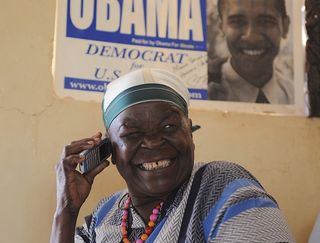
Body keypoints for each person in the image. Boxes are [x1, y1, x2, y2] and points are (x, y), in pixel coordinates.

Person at [50, 68, 295, 243]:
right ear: (110, 149)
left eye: (169, 127)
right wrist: (66, 211)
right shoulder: (107, 213)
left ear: (189, 131)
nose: (154, 141)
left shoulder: (221, 188)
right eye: (132, 133)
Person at [208, 0, 294, 104]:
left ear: (285, 26)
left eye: (265, 22)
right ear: (221, 26)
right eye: (237, 22)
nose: (252, 37)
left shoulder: (295, 97)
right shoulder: (205, 93)